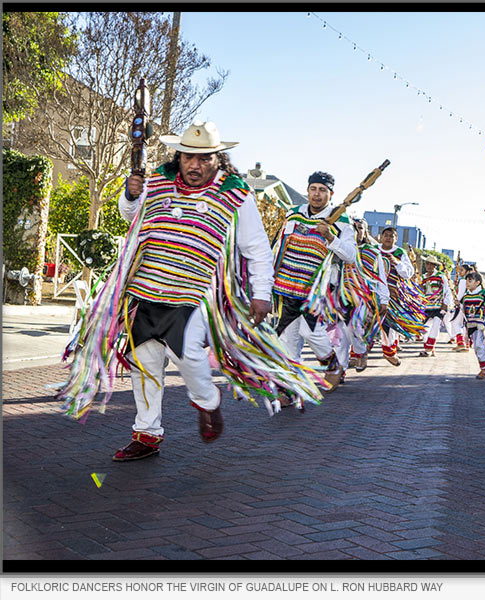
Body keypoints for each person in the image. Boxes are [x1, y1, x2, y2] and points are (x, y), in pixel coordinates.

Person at [57, 121, 324, 461]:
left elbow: (256, 248)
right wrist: (131, 194)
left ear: (218, 159)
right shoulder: (158, 182)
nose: (194, 165)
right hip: (146, 289)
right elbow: (131, 216)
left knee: (188, 354)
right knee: (146, 363)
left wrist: (261, 293)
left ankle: (208, 402)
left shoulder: (235, 193)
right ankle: (147, 434)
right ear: (179, 157)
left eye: (204, 158)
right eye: (188, 157)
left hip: (197, 293)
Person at [272, 170, 357, 397]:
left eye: (322, 190)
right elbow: (279, 246)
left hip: (317, 288)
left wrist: (331, 237)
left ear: (331, 194)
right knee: (288, 340)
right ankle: (288, 390)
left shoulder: (342, 222)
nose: (317, 195)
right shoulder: (293, 214)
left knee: (310, 331)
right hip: (286, 285)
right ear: (307, 191)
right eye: (313, 189)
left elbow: (350, 256)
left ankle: (332, 364)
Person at [346, 218, 390, 372]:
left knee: (354, 325)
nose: (356, 232)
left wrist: (384, 299)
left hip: (364, 297)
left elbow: (381, 277)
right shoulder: (343, 248)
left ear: (365, 232)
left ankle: (360, 352)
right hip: (342, 294)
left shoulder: (373, 252)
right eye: (354, 228)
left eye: (360, 228)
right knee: (340, 333)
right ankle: (341, 370)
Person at [378, 227, 421, 365]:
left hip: (392, 294)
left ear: (396, 239)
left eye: (392, 236)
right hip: (372, 291)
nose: (388, 238)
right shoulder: (373, 249)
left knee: (389, 323)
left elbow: (408, 273)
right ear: (381, 237)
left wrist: (397, 263)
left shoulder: (399, 252)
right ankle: (357, 354)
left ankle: (389, 352)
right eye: (386, 235)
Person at [461, 271, 485, 379]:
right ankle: (484, 367)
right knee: (476, 347)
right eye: (466, 281)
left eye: (470, 281)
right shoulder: (466, 296)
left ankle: (484, 368)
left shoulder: (484, 294)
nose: (467, 283)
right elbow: (463, 311)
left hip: (480, 324)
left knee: (479, 346)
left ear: (478, 282)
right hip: (470, 324)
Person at [418, 256, 454, 357]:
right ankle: (429, 347)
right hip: (426, 307)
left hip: (438, 306)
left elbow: (447, 291)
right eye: (427, 264)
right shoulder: (422, 278)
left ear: (435, 266)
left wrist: (445, 305)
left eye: (431, 264)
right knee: (424, 329)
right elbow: (419, 293)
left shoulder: (441, 276)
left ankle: (428, 349)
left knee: (436, 324)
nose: (429, 266)